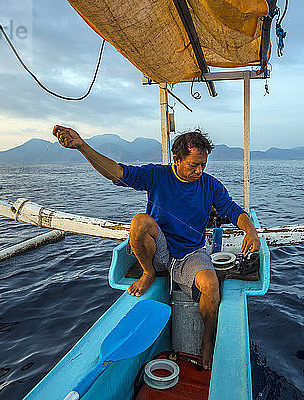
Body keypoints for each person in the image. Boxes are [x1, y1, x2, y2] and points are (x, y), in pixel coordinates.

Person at [52, 125, 260, 369]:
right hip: (159, 252)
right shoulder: (157, 175)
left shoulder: (210, 185)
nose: (199, 171)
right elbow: (117, 174)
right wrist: (82, 146)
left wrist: (251, 231)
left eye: (203, 164)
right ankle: (149, 273)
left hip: (190, 254)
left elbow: (233, 209)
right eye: (193, 165)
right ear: (176, 159)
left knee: (211, 284)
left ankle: (207, 338)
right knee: (140, 221)